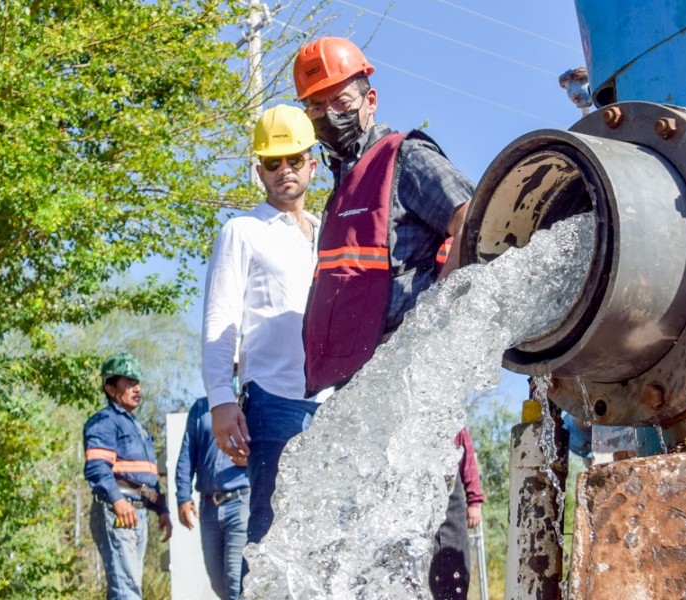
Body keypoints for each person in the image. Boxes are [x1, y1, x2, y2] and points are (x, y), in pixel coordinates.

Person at [293, 37, 473, 396]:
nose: (329, 114)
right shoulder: (343, 186)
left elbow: (475, 219)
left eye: (341, 102)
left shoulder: (405, 156)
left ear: (370, 101)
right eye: (316, 106)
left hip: (405, 367)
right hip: (357, 378)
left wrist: (429, 323)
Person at [202, 104, 322, 545]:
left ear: (312, 162)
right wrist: (220, 399)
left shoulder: (329, 234)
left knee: (329, 539)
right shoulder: (243, 230)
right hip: (272, 402)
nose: (284, 170)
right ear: (260, 170)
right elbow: (220, 317)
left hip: (332, 401)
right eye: (273, 162)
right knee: (273, 535)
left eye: (294, 159)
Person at [84, 352, 173, 600]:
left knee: (131, 586)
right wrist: (117, 500)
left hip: (138, 512)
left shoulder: (137, 426)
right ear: (111, 388)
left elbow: (142, 479)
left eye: (138, 383)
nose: (137, 389)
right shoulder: (105, 422)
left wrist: (161, 509)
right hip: (118, 511)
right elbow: (97, 468)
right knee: (126, 589)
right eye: (129, 383)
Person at [176, 396, 250, 600]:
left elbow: (271, 448)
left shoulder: (252, 403)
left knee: (237, 581)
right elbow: (186, 455)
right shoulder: (201, 408)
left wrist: (250, 460)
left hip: (241, 502)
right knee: (218, 584)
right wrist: (183, 497)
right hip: (208, 507)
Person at [429, 427, 485, 600]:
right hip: (414, 480)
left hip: (449, 480)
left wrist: (474, 500)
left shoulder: (452, 419)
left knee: (454, 564)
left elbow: (468, 458)